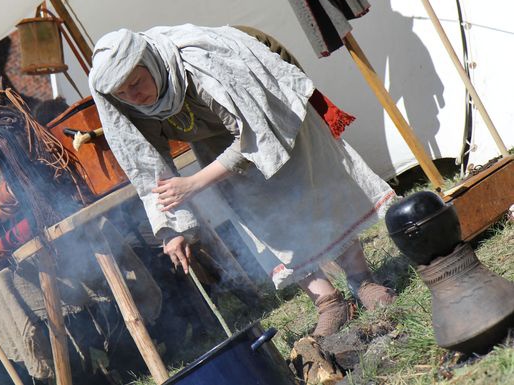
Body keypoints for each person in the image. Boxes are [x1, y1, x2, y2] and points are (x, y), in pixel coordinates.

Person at [88, 24, 396, 336]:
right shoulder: (127, 106)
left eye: (136, 83)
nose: (133, 96)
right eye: (122, 93)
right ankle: (329, 302)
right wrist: (171, 228)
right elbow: (148, 167)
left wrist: (195, 182)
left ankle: (363, 281)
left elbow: (255, 131)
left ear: (149, 62)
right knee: (265, 216)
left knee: (313, 193)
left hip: (270, 111)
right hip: (218, 138)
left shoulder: (200, 67)